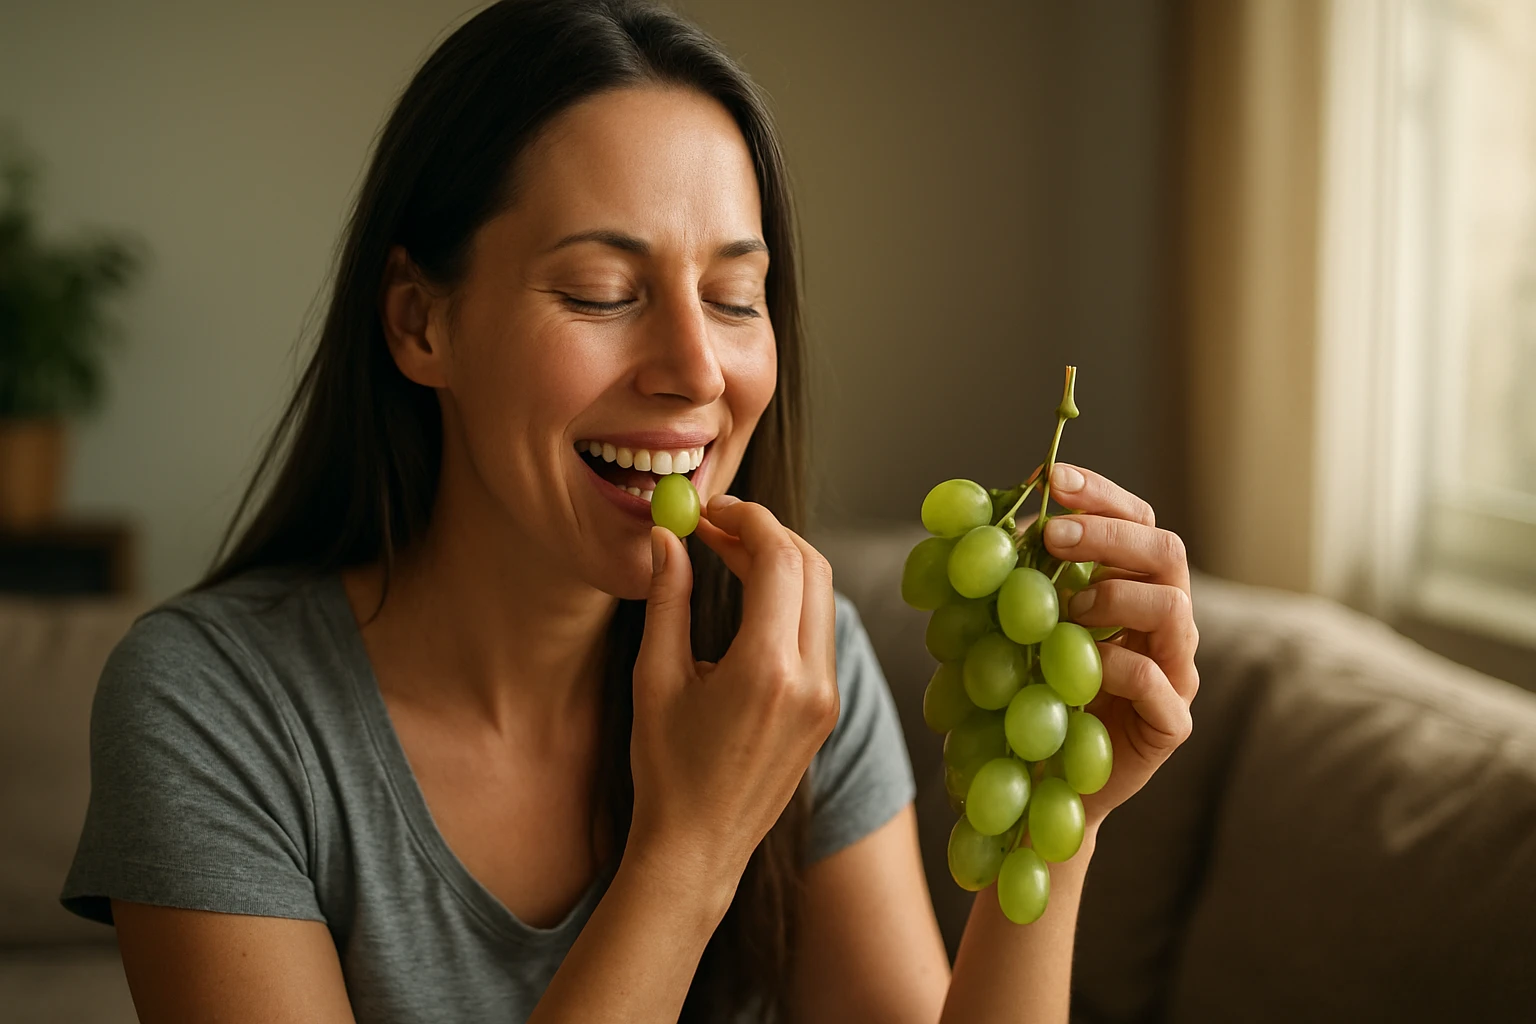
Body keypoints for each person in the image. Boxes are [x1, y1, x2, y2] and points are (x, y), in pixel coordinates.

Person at [60, 1, 1199, 1020]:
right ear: (419, 322)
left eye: (735, 297)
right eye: (602, 292)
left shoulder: (794, 667)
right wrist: (690, 848)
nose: (696, 370)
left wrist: (1060, 813)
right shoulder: (210, 707)